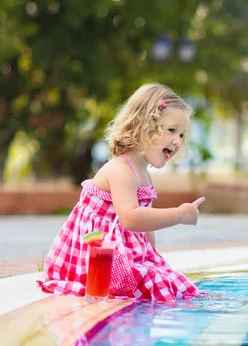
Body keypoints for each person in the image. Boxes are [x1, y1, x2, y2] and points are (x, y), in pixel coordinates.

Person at [37, 83, 205, 301]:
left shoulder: (142, 172)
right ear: (144, 125)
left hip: (120, 254)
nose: (177, 141)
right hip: (97, 258)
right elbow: (131, 218)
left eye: (182, 135)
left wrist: (152, 257)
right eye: (171, 130)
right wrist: (179, 214)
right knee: (160, 287)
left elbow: (145, 227)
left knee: (172, 282)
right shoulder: (121, 169)